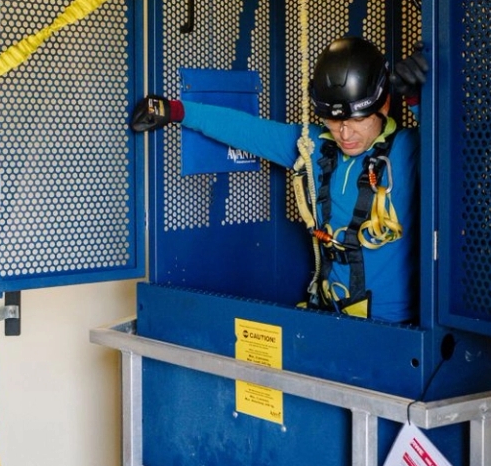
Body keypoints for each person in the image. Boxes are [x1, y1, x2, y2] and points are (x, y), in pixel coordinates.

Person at [129, 35, 421, 323]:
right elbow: (248, 131)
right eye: (334, 121)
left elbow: (458, 151)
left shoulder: (410, 150)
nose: (345, 134)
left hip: (391, 326)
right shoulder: (314, 147)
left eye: (357, 120)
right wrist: (177, 110)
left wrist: (418, 99)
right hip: (326, 316)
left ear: (382, 106)